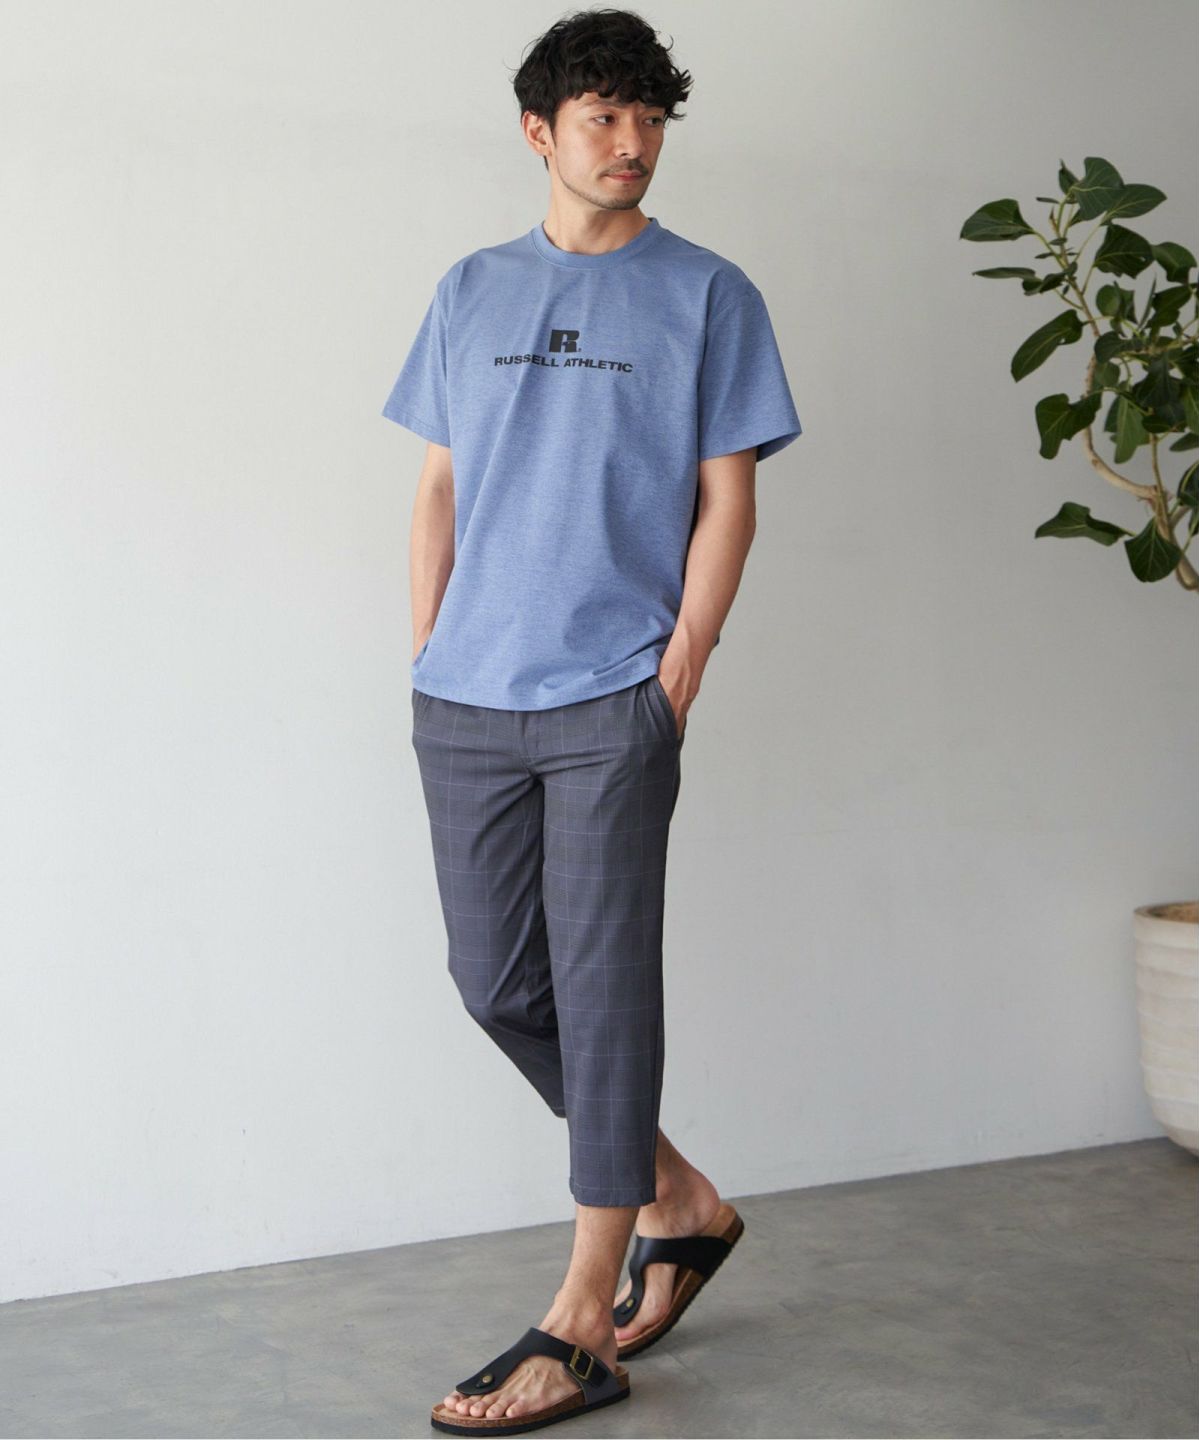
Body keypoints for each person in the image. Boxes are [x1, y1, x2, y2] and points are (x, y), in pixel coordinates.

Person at [381, 9, 802, 1433]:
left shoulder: (709, 294)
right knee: (498, 982)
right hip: (466, 694)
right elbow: (439, 486)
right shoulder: (470, 288)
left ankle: (581, 1319)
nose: (632, 143)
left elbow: (729, 497)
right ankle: (679, 1199)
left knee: (606, 991)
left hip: (611, 696)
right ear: (540, 132)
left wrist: (677, 671)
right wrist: (428, 646)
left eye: (649, 117)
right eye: (603, 117)